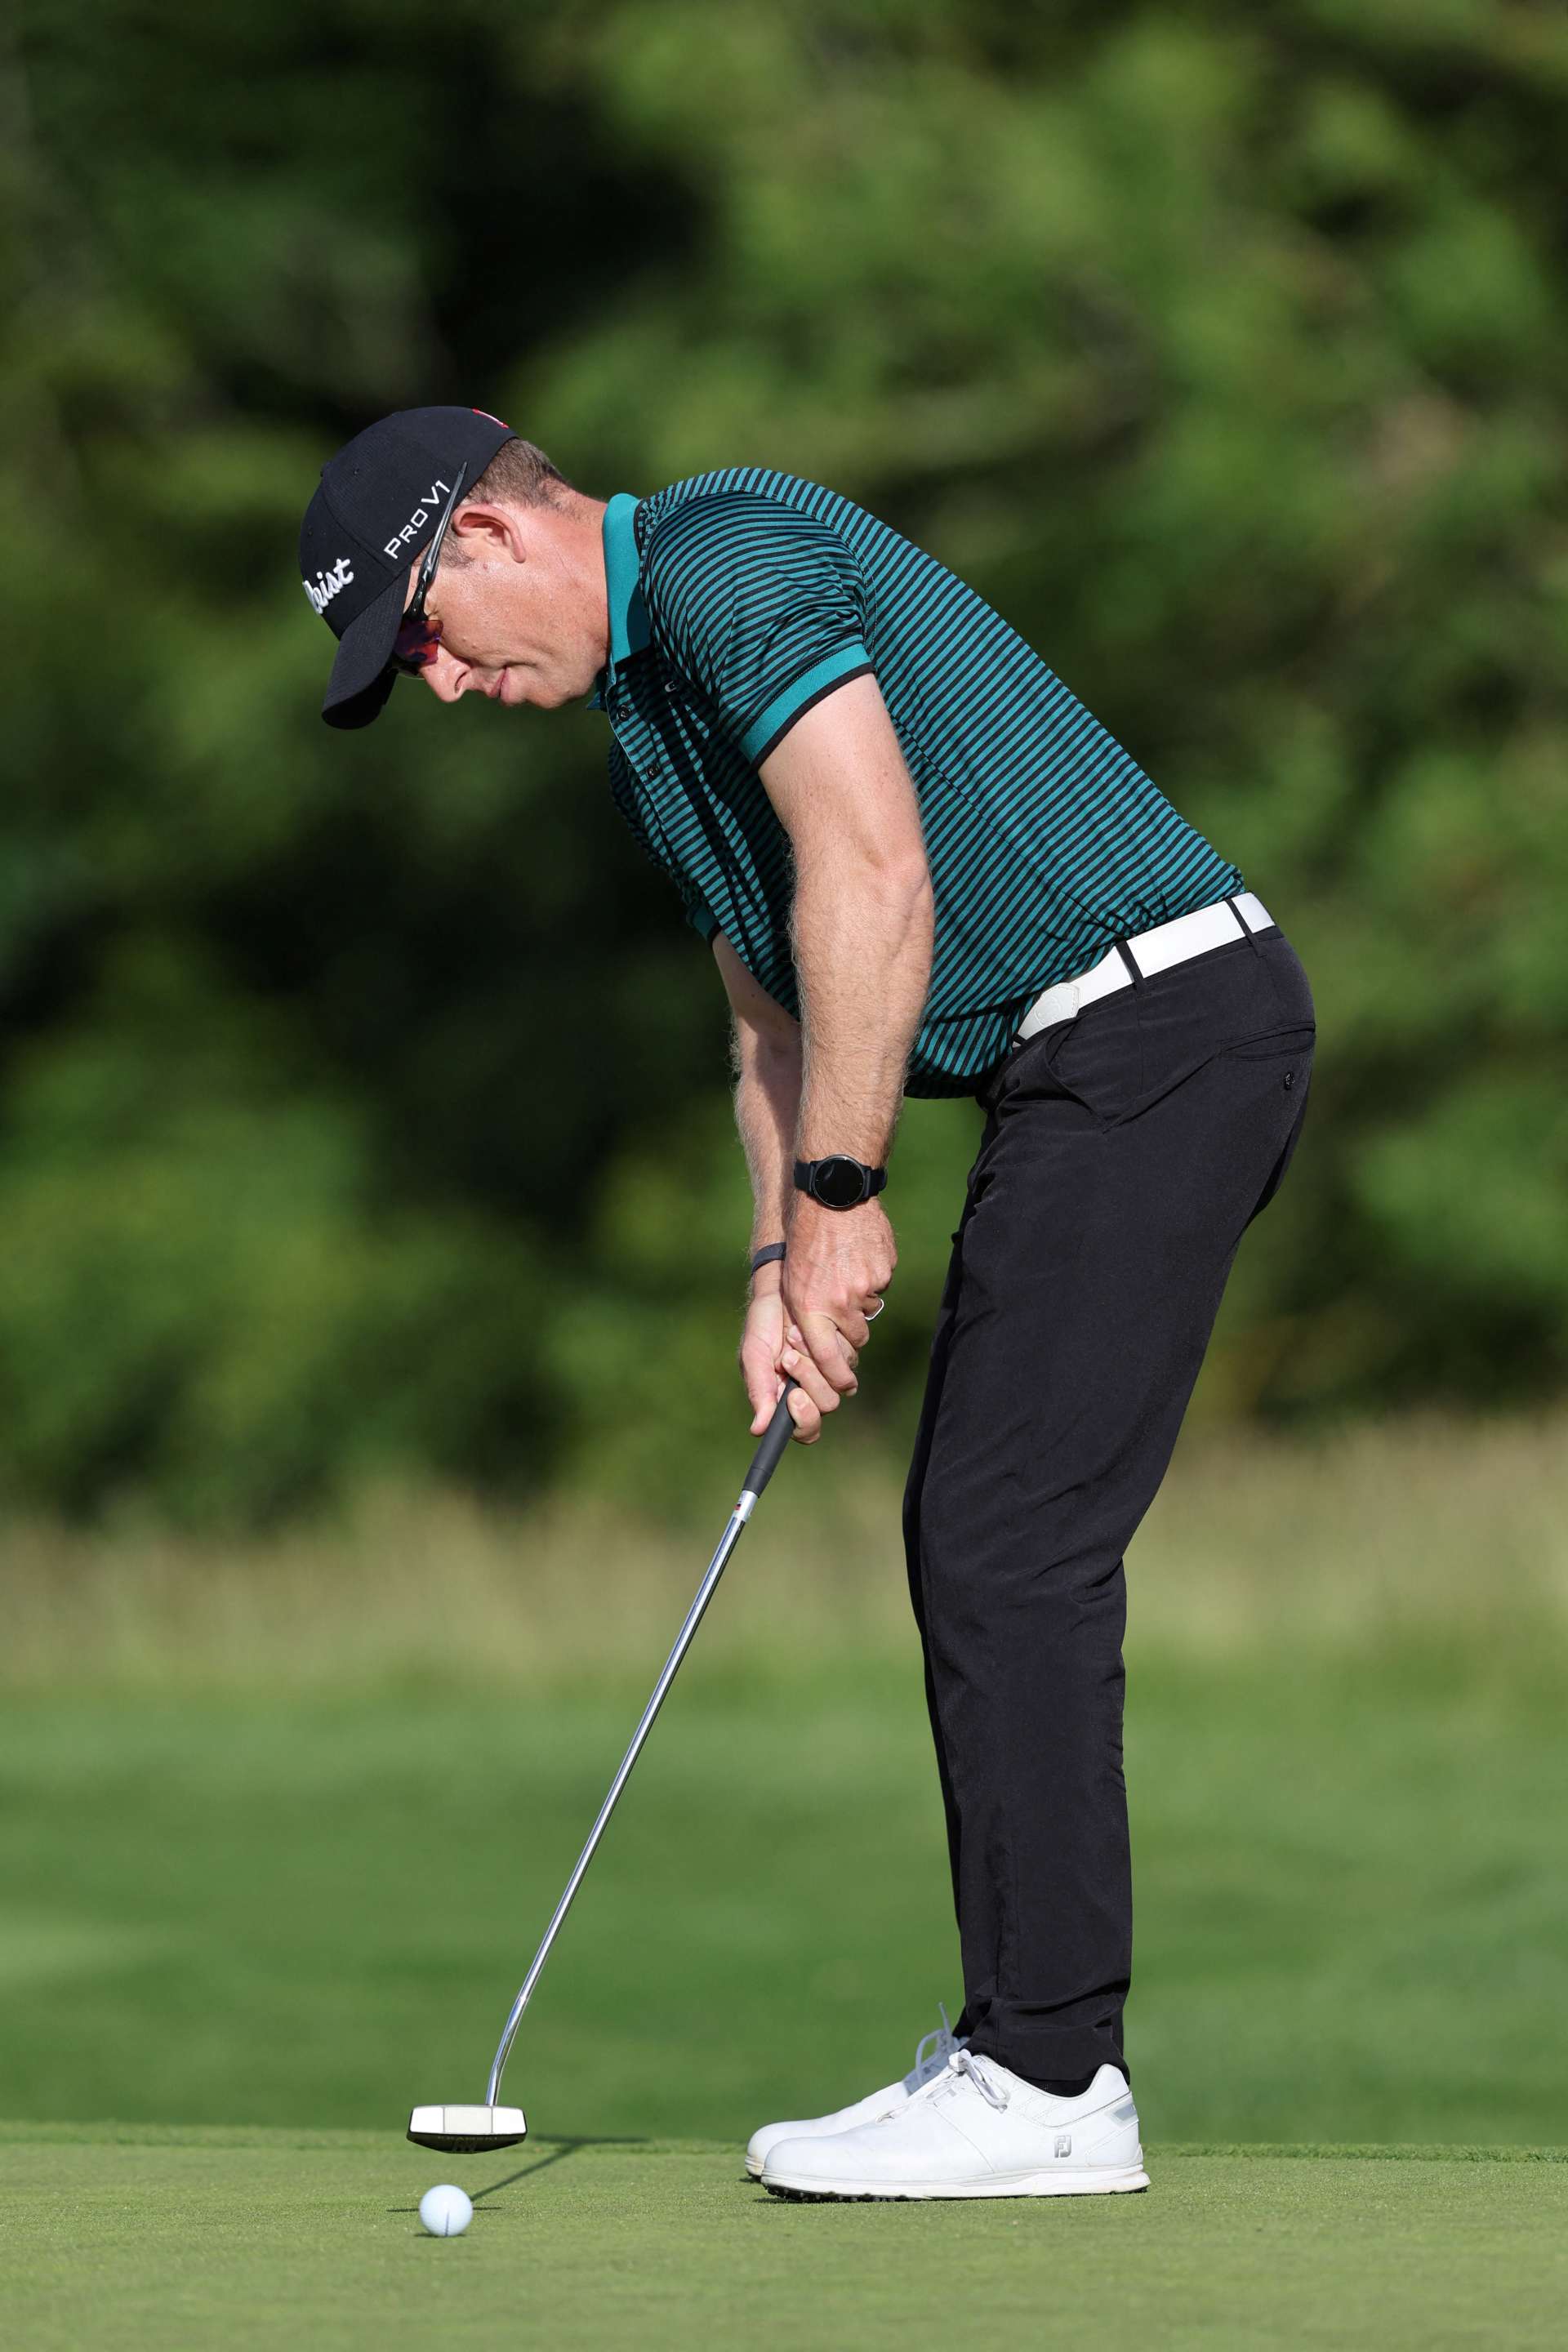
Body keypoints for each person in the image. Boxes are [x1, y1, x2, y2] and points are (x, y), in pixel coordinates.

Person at [299, 407, 1316, 2201]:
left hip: (1158, 1033)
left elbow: (876, 874)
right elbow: (769, 1017)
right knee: (990, 1531)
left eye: (422, 635)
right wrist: (779, 1261)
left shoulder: (727, 556)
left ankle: (1050, 2080)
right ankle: (1031, 2053)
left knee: (1005, 1539)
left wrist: (853, 1196)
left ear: (490, 540)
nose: (441, 685)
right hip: (1081, 1067)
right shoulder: (651, 731)